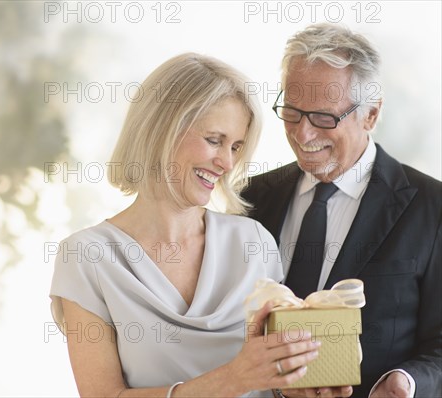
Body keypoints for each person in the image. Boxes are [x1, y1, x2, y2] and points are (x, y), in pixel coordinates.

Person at [50, 53, 321, 397]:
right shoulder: (87, 256)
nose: (226, 162)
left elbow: (279, 377)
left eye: (236, 147)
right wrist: (233, 379)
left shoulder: (252, 242)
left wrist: (304, 386)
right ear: (162, 129)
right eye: (214, 140)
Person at [241, 23, 442, 398]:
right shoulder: (252, 197)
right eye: (292, 112)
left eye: (323, 117)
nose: (302, 135)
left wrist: (407, 381)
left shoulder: (432, 208)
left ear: (370, 115)